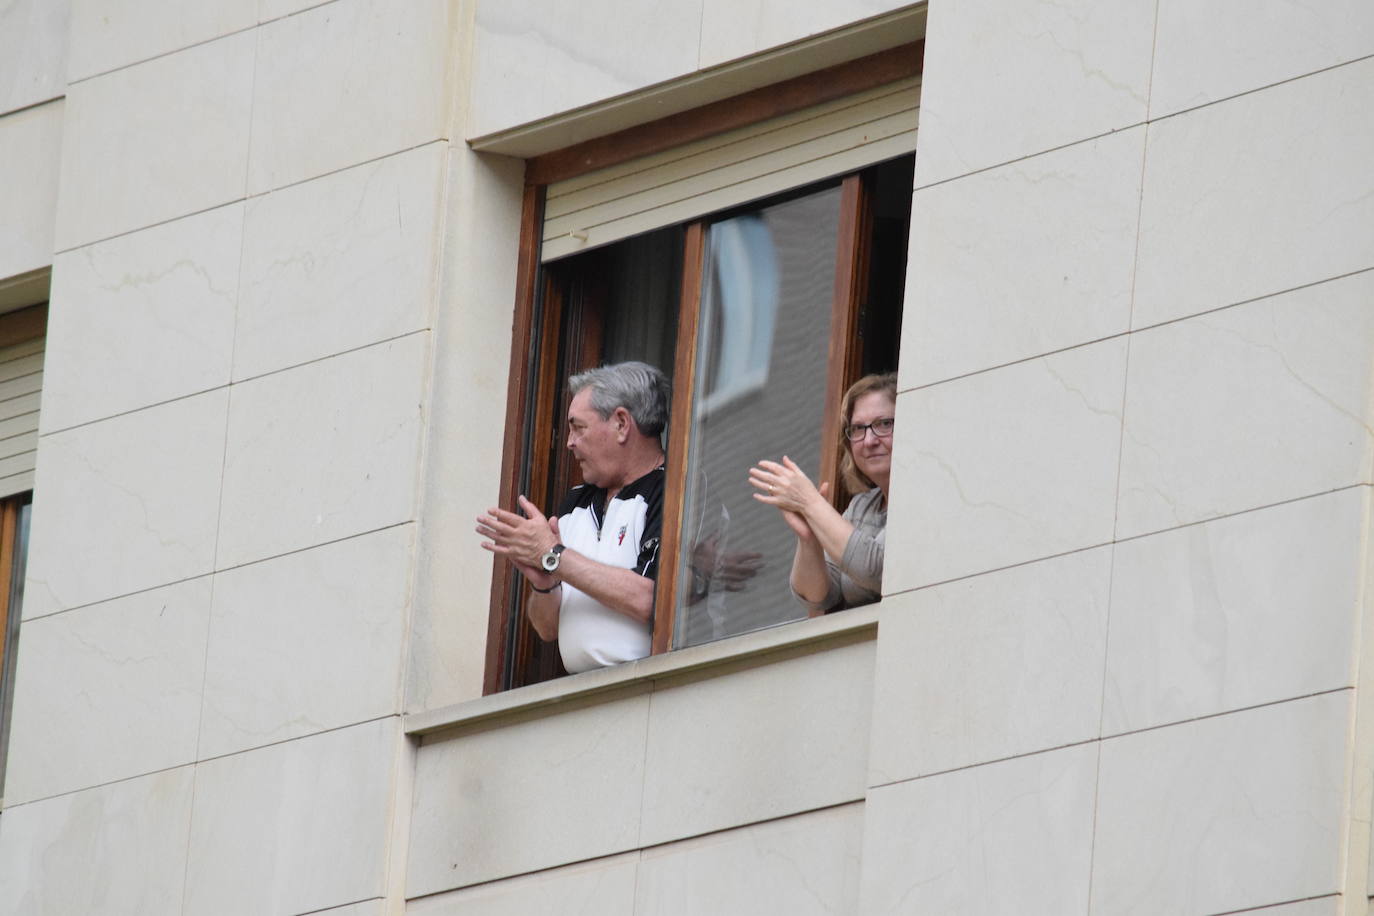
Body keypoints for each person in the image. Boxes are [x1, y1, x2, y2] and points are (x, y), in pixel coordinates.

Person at [476, 361, 670, 673]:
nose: (568, 442)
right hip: (584, 698)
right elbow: (547, 629)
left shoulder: (673, 491)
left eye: (578, 427)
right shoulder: (575, 501)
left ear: (621, 423)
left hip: (648, 691)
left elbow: (650, 599)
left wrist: (554, 556)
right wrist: (544, 585)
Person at [748, 372, 896, 613]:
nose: (869, 440)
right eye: (858, 428)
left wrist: (810, 503)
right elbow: (817, 598)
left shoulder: (919, 495)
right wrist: (809, 539)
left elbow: (878, 569)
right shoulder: (861, 506)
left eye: (884, 424)